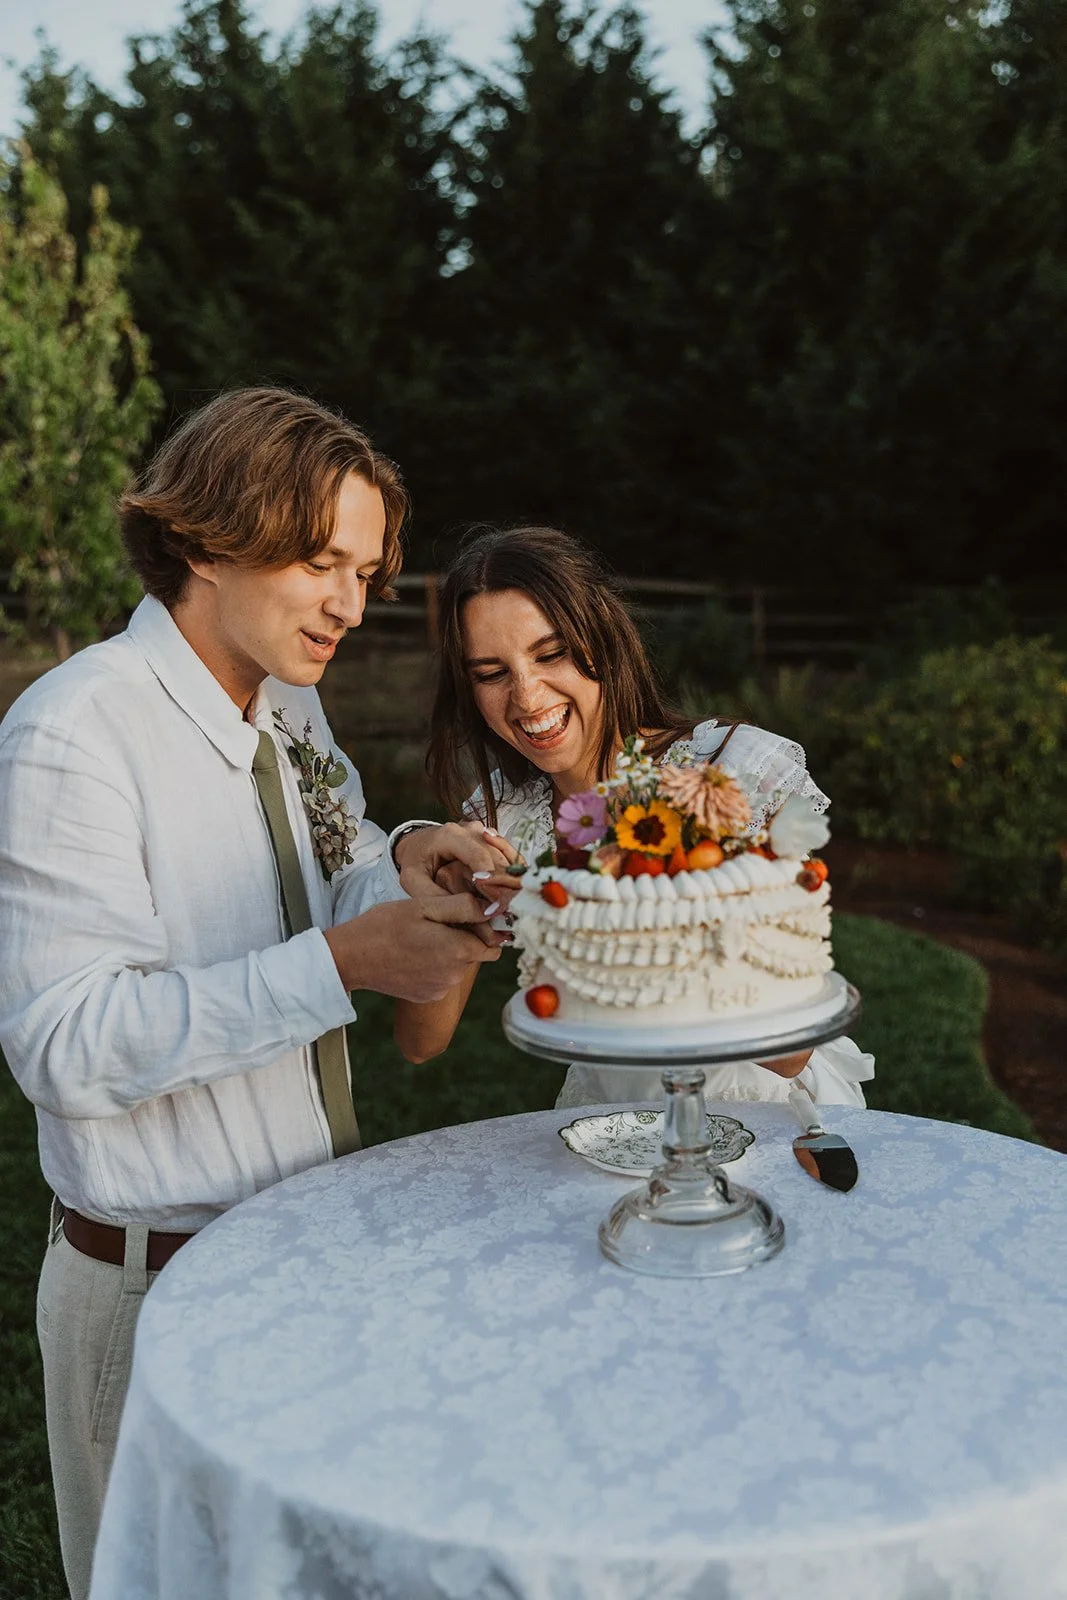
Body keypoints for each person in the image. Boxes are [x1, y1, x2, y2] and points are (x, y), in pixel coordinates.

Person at [0, 387, 510, 1600]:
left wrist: (402, 857)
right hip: (155, 1289)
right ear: (204, 538)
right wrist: (343, 967)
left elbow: (325, 868)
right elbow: (65, 1043)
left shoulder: (286, 703)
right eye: (317, 560)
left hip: (304, 1252)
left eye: (367, 570)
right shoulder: (74, 735)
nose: (348, 601)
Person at [417, 524, 874, 1108]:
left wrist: (600, 911)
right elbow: (423, 1042)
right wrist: (441, 904)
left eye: (550, 653)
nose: (527, 697)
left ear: (602, 643)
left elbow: (788, 1051)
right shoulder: (502, 821)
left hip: (767, 1111)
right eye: (491, 673)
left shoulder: (727, 774)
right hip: (608, 1121)